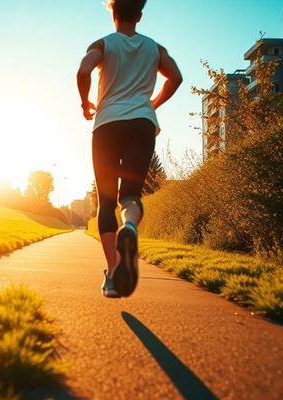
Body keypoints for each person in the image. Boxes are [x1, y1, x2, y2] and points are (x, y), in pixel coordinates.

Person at [76, 0, 182, 298]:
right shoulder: (154, 48)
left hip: (108, 124)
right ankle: (131, 227)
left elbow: (83, 71)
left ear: (113, 14)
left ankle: (112, 275)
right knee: (131, 195)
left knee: (106, 201)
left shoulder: (104, 44)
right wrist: (152, 104)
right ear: (139, 15)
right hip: (142, 125)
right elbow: (176, 77)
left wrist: (86, 103)